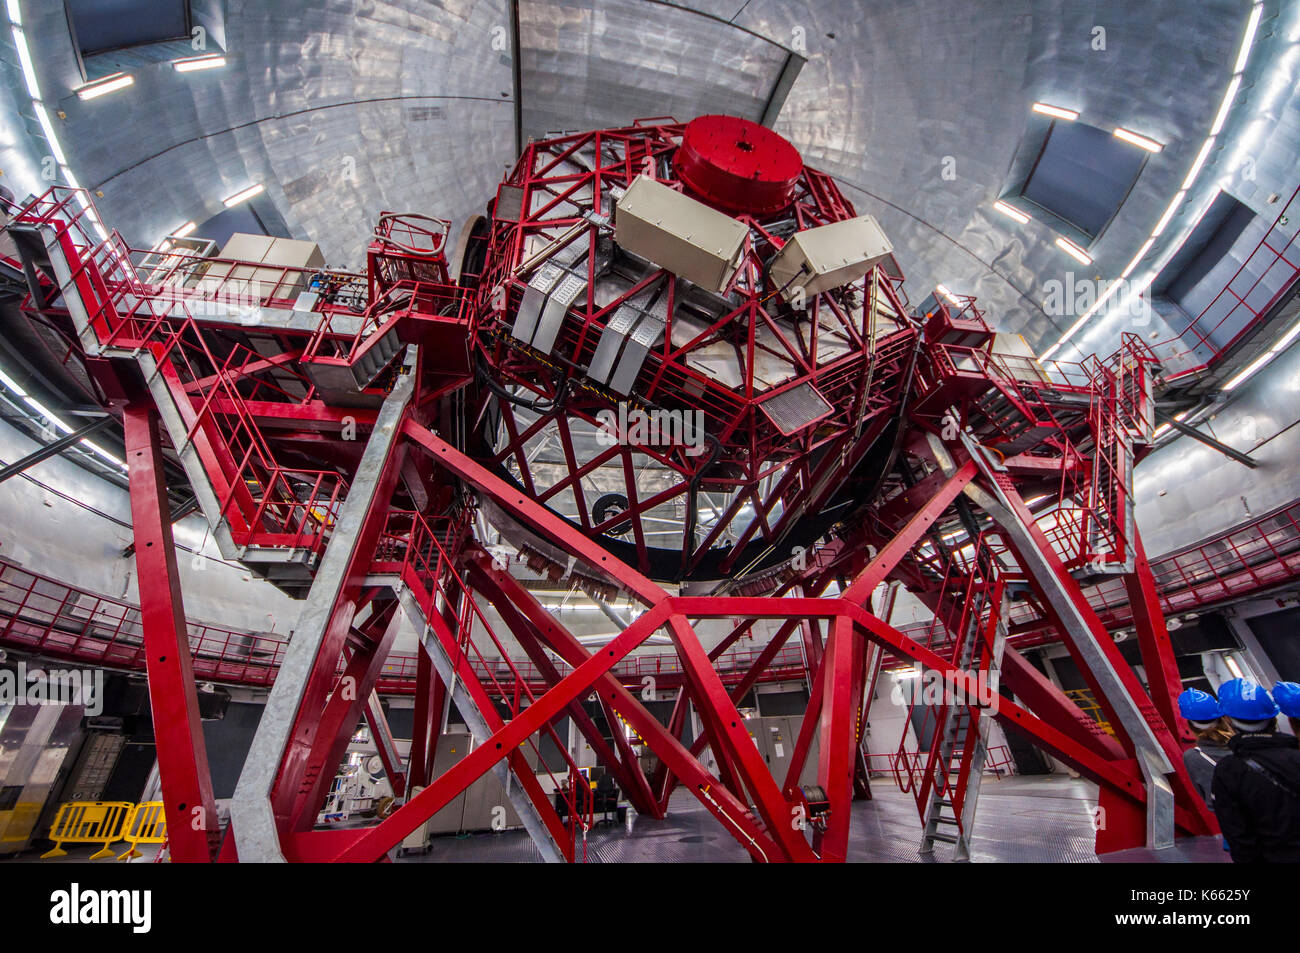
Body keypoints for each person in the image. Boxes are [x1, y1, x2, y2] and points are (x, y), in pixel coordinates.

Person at [1210, 677, 1300, 863]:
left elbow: (1239, 837)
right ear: (1274, 716)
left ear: (1227, 720)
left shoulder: (1229, 771)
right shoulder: (1295, 755)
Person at [1177, 687, 1232, 809]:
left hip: (1236, 821)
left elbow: (1207, 798)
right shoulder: (1241, 742)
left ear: (1190, 724)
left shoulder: (1194, 757)